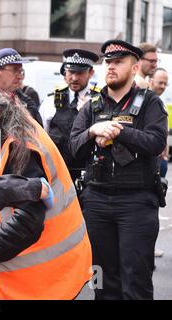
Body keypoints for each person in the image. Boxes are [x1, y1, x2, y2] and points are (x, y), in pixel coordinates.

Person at [0, 82, 92, 300]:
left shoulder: (20, 148)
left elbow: (27, 224)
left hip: (48, 282)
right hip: (47, 276)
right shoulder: (14, 132)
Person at [70, 40, 168, 300]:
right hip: (97, 201)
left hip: (136, 201)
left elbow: (156, 142)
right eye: (108, 62)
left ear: (135, 68)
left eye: (118, 62)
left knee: (136, 279)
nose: (110, 67)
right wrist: (93, 130)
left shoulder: (150, 103)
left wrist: (118, 130)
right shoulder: (92, 104)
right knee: (100, 276)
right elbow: (73, 146)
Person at [39, 49, 100, 183]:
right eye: (71, 72)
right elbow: (42, 137)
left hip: (89, 174)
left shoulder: (100, 100)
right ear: (65, 72)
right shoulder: (51, 100)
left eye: (80, 73)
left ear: (91, 73)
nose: (74, 78)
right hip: (58, 172)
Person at [0, 48, 43, 126]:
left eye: (21, 71)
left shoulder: (25, 102)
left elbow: (37, 132)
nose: (20, 76)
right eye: (15, 70)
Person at [149, 67, 169, 259]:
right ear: (150, 80)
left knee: (156, 204)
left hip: (160, 160)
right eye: (160, 82)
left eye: (165, 83)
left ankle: (151, 244)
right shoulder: (143, 102)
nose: (163, 86)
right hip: (149, 162)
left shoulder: (160, 103)